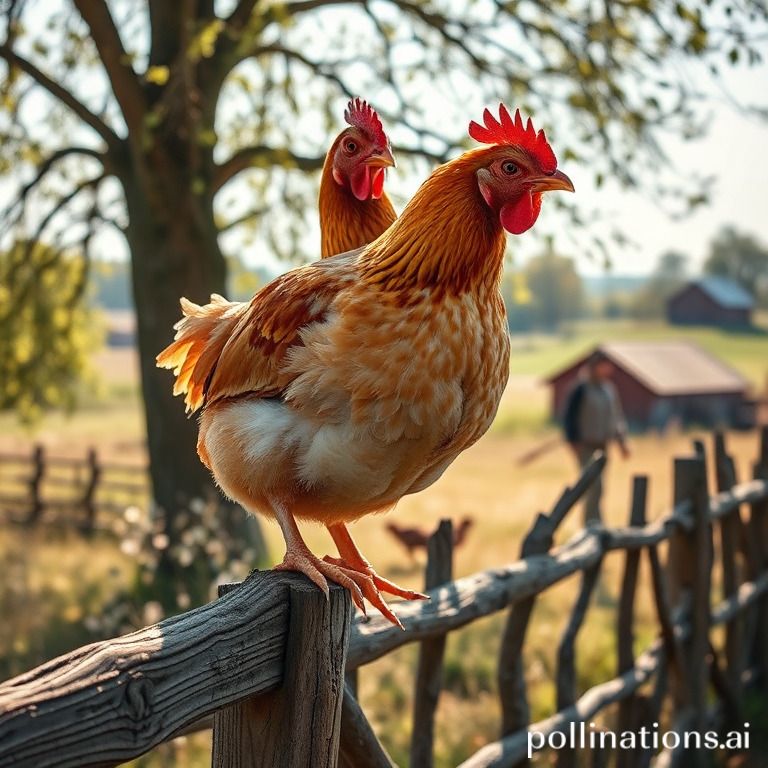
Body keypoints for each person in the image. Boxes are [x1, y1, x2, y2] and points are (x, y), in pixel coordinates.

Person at [563, 351, 630, 525]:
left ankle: (596, 522)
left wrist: (622, 441)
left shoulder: (608, 390)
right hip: (586, 446)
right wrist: (573, 443)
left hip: (603, 445)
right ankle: (591, 524)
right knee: (593, 486)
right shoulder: (581, 389)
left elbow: (616, 417)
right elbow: (570, 418)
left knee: (600, 487)